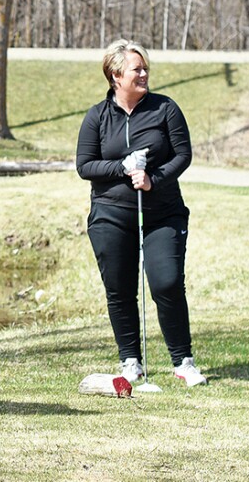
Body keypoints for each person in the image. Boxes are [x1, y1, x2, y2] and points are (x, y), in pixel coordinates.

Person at [75, 39, 207, 388]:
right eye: (137, 69)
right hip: (112, 214)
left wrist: (154, 179)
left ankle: (183, 361)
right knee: (119, 288)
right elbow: (84, 166)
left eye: (145, 67)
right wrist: (121, 166)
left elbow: (183, 155)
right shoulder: (97, 117)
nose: (145, 73)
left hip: (162, 213)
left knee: (166, 282)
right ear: (116, 75)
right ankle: (131, 360)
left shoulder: (165, 109)